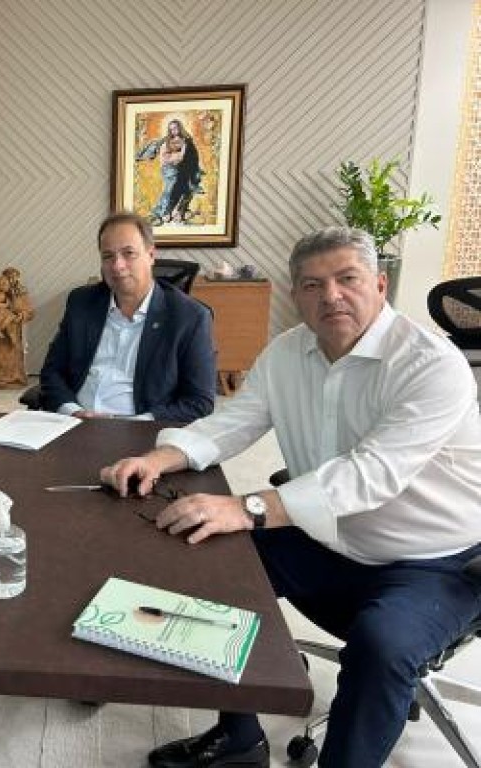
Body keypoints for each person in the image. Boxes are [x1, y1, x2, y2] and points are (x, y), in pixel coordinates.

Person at [101, 226, 481, 768]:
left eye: (347, 279)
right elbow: (235, 421)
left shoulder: (430, 365)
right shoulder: (286, 353)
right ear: (296, 295)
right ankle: (239, 737)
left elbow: (372, 473)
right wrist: (161, 457)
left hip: (432, 562)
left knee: (382, 646)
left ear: (379, 285)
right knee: (209, 557)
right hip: (328, 539)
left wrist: (249, 507)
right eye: (312, 285)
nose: (331, 296)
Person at [39, 212, 215, 422]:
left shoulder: (190, 317)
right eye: (108, 256)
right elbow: (52, 372)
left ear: (151, 255)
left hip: (140, 429)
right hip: (75, 423)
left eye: (128, 253)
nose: (117, 266)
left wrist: (137, 424)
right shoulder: (81, 303)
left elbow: (199, 401)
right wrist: (73, 411)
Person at [140, 119, 203, 225]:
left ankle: (175, 212)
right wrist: (175, 157)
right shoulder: (166, 141)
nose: (174, 131)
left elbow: (189, 155)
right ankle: (161, 213)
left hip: (182, 169)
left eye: (175, 128)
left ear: (180, 127)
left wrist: (182, 159)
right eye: (171, 129)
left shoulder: (186, 140)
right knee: (169, 190)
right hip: (169, 169)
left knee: (182, 189)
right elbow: (165, 157)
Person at [0, 267, 35, 388]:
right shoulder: (0, 294)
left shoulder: (22, 294)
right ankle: (1, 378)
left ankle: (16, 377)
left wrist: (22, 315)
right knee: (3, 354)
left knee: (16, 354)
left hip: (17, 329)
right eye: (9, 278)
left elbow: (30, 311)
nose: (12, 280)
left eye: (15, 277)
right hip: (4, 330)